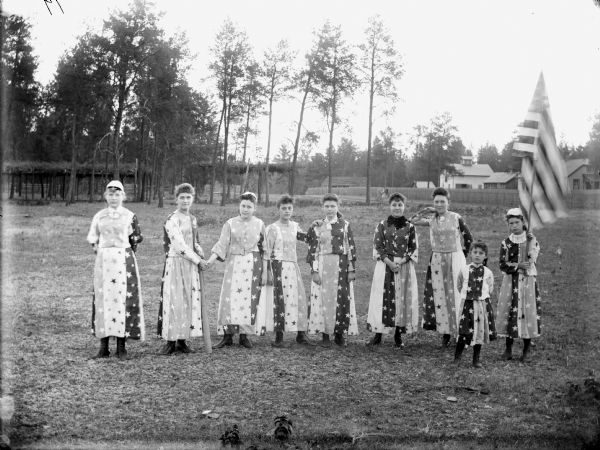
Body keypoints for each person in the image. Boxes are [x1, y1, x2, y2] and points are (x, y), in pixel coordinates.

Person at [86, 180, 144, 359]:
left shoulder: (129, 216)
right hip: (104, 262)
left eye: (117, 194)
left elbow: (134, 240)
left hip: (123, 261)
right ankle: (103, 347)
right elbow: (93, 238)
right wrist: (101, 252)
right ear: (105, 196)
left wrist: (123, 254)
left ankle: (121, 346)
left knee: (122, 300)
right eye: (110, 194)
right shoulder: (99, 216)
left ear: (123, 196)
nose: (114, 197)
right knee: (103, 300)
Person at [410, 187, 473, 348]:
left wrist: (462, 255)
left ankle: (460, 334)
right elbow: (412, 220)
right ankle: (446, 333)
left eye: (442, 201)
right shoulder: (431, 219)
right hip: (437, 259)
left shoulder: (456, 217)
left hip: (455, 257)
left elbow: (469, 237)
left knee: (457, 295)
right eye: (436, 202)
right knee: (441, 296)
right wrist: (425, 210)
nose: (439, 204)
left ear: (448, 202)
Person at [206, 192, 265, 349]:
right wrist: (209, 261)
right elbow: (222, 244)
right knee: (230, 298)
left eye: (249, 207)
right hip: (234, 263)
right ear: (239, 206)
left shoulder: (259, 224)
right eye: (243, 206)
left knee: (248, 299)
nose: (245, 209)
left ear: (254, 208)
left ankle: (244, 335)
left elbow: (264, 248)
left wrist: (266, 271)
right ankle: (228, 335)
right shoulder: (230, 223)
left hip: (253, 264)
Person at [255, 194, 313, 347]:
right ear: (278, 210)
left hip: (292, 267)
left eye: (289, 208)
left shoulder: (294, 226)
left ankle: (301, 333)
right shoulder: (272, 228)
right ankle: (278, 335)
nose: (287, 211)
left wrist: (316, 226)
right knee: (279, 300)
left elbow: (308, 238)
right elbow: (266, 251)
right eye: (284, 208)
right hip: (278, 267)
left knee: (298, 298)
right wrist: (267, 270)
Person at [157, 183, 208, 355]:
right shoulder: (172, 219)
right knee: (174, 300)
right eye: (182, 197)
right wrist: (197, 259)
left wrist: (200, 252)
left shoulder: (192, 219)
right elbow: (178, 244)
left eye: (188, 197)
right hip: (177, 262)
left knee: (187, 299)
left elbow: (194, 241)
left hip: (189, 265)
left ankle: (182, 340)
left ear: (193, 199)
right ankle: (170, 341)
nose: (185, 200)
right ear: (176, 199)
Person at [366, 192, 419, 348]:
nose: (397, 207)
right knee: (382, 299)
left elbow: (413, 248)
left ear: (404, 206)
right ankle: (378, 334)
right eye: (394, 205)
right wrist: (389, 262)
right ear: (390, 206)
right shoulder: (382, 225)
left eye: (400, 205)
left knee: (401, 299)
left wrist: (402, 261)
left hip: (403, 267)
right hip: (385, 265)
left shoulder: (410, 227)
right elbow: (378, 246)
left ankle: (398, 335)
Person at [306, 193, 358, 347]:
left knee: (340, 298)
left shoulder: (345, 225)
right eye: (327, 206)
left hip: (340, 265)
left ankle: (339, 333)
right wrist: (314, 271)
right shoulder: (318, 226)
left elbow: (350, 247)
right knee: (323, 298)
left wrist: (351, 268)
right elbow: (312, 249)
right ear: (323, 207)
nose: (330, 209)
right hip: (323, 264)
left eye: (332, 206)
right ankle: (325, 334)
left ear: (337, 207)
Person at [495, 207, 541, 363]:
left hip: (527, 281)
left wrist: (531, 245)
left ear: (523, 222)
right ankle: (508, 349)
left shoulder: (531, 239)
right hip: (511, 282)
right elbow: (502, 264)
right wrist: (517, 265)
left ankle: (526, 350)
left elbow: (532, 259)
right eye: (511, 223)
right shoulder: (506, 243)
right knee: (510, 311)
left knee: (527, 312)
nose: (514, 226)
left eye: (517, 222)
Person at [453, 241, 496, 368]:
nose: (477, 255)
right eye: (475, 252)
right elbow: (459, 285)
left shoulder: (488, 272)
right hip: (467, 304)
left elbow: (490, 288)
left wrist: (481, 298)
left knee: (479, 331)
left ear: (485, 256)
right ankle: (457, 356)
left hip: (481, 306)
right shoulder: (464, 269)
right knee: (464, 330)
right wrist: (467, 296)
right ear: (471, 254)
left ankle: (476, 359)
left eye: (481, 253)